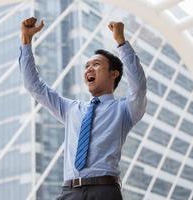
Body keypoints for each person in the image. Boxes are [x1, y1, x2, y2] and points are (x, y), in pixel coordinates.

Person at [19, 17, 147, 200]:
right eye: (86, 66)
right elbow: (34, 86)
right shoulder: (70, 109)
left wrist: (121, 42)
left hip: (104, 191)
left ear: (114, 74)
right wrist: (26, 41)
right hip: (69, 192)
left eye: (96, 64)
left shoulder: (125, 110)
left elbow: (139, 88)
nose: (89, 69)